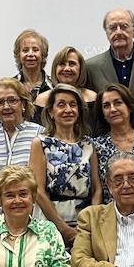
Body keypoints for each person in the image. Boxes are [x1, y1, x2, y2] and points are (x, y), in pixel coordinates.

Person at [30, 84, 100, 245]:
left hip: (84, 222)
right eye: (61, 105)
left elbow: (97, 189)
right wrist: (63, 228)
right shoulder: (40, 143)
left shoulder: (88, 144)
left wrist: (91, 223)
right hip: (49, 221)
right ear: (51, 112)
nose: (68, 109)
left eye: (73, 105)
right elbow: (38, 191)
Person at [0, 79, 42, 212]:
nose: (6, 106)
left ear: (23, 103)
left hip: (32, 217)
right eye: (0, 102)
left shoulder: (40, 134)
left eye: (12, 100)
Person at [91, 84, 134, 205]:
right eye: (106, 106)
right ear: (102, 113)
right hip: (110, 215)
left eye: (118, 103)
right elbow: (96, 189)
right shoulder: (96, 146)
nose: (113, 109)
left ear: (129, 107)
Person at [35, 46, 103, 135]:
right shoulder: (42, 100)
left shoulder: (92, 97)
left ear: (80, 68)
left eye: (72, 64)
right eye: (62, 64)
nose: (67, 68)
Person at [13, 29, 52, 101]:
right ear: (18, 55)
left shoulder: (53, 86)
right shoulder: (10, 86)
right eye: (25, 50)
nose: (30, 54)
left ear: (43, 54)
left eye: (35, 50)